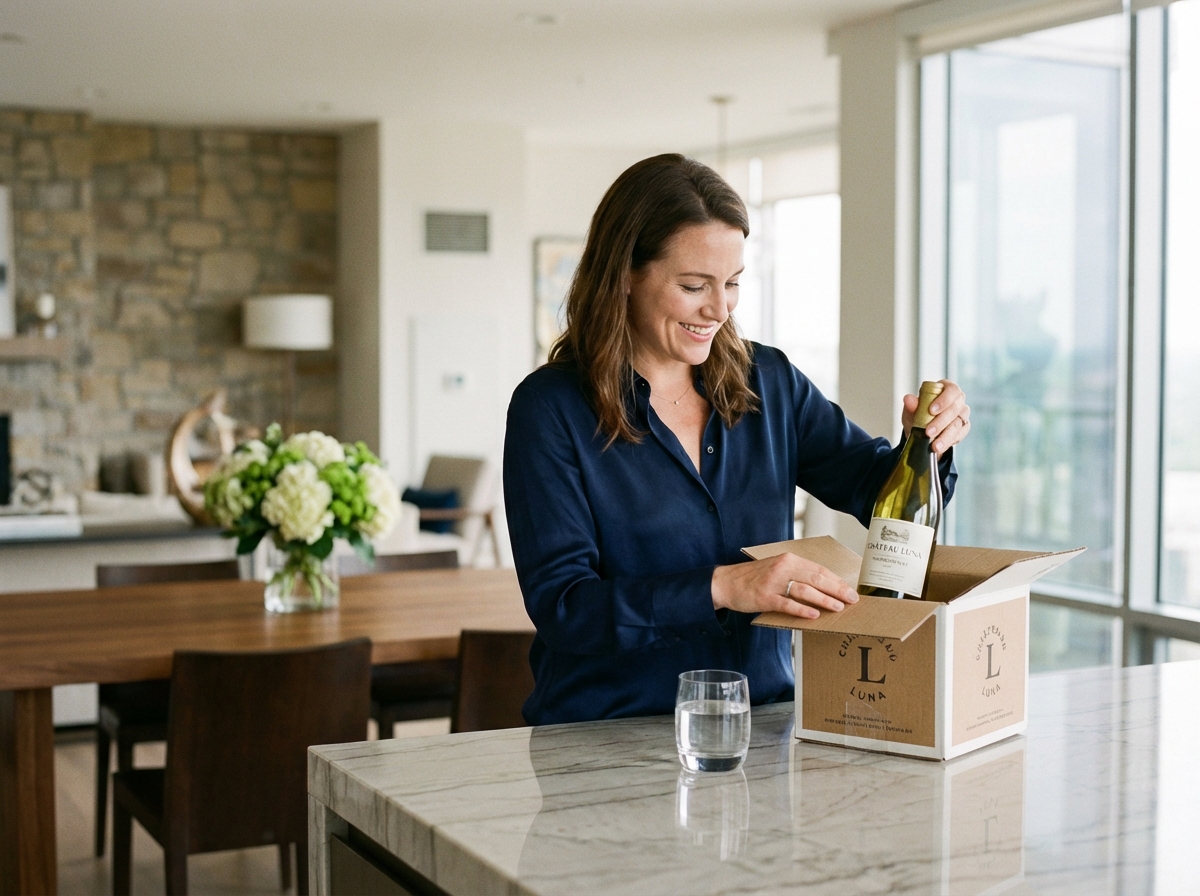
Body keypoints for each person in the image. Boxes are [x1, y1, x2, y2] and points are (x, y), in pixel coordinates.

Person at [503, 154, 971, 726]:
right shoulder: (550, 409)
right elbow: (564, 606)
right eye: (694, 285)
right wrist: (725, 586)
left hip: (761, 728)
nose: (719, 310)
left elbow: (879, 496)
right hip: (606, 734)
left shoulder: (769, 383)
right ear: (624, 273)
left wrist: (929, 445)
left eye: (732, 284)